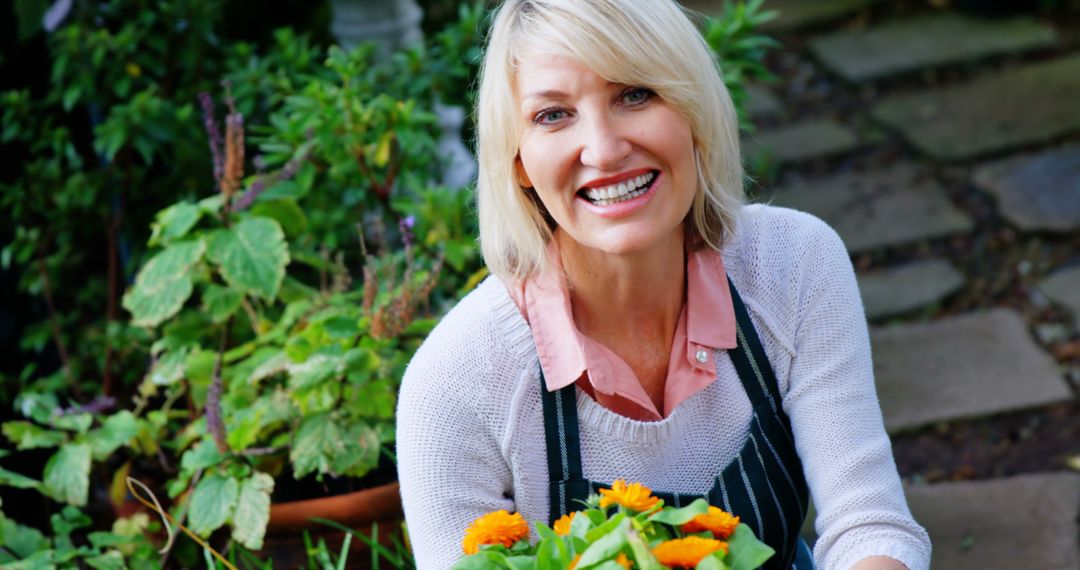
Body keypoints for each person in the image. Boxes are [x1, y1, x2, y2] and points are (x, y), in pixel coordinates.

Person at [396, 0, 932, 568]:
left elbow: (868, 525)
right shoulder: (454, 384)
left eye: (634, 94)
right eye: (553, 115)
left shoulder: (792, 265)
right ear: (519, 162)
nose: (603, 150)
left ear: (694, 109)